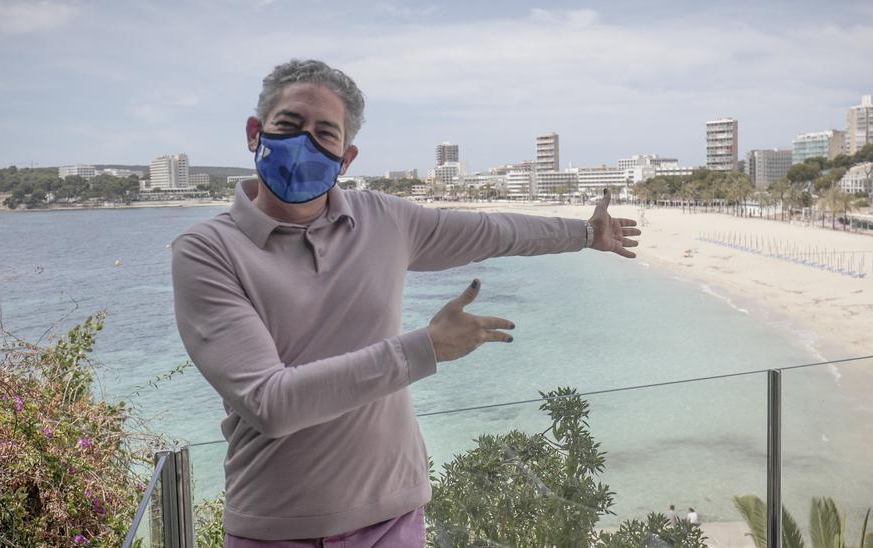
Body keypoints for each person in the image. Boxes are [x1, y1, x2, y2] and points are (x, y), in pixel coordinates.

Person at [170, 59, 641, 547]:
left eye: (324, 134)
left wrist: (585, 233)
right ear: (255, 132)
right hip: (276, 529)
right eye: (289, 125)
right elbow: (270, 403)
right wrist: (426, 348)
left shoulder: (384, 220)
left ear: (346, 157)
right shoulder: (207, 251)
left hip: (394, 520)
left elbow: (491, 231)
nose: (304, 143)